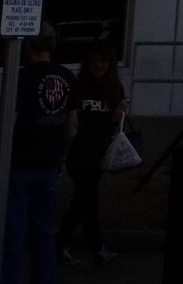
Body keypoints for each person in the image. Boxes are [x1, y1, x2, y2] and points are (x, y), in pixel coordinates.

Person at [2, 25, 79, 284]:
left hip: (20, 160)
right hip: (49, 161)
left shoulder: (21, 76)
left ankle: (9, 278)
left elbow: (7, 115)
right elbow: (71, 124)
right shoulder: (67, 76)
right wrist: (62, 155)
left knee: (13, 229)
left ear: (29, 46)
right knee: (43, 229)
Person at [56, 47, 123, 268]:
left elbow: (116, 120)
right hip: (78, 153)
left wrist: (119, 115)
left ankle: (60, 246)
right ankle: (98, 250)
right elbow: (69, 119)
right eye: (94, 61)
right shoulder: (78, 86)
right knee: (89, 200)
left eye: (103, 60)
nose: (98, 65)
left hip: (100, 155)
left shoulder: (114, 87)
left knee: (81, 201)